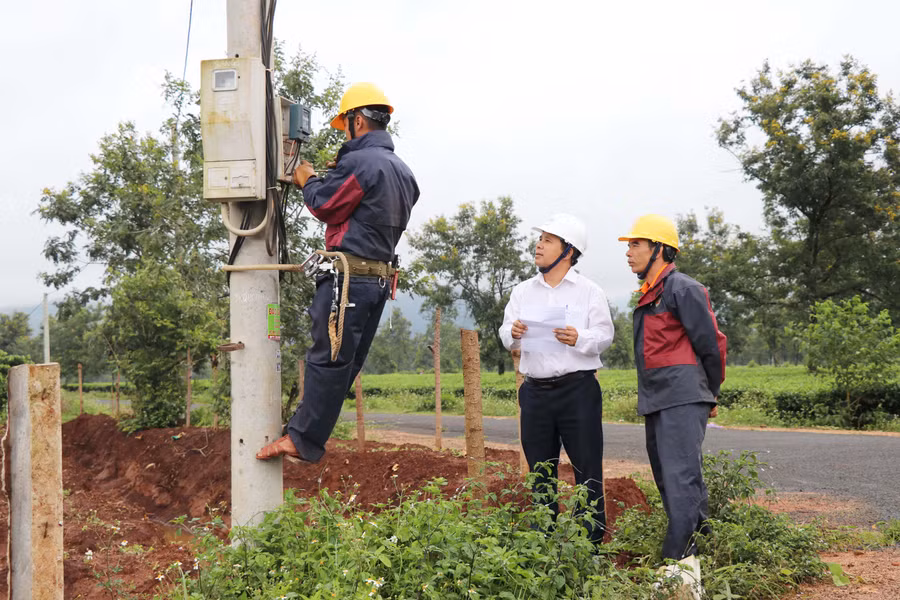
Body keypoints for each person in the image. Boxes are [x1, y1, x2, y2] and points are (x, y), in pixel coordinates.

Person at [257, 82, 419, 463]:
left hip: (349, 279)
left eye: (344, 126)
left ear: (357, 122)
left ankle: (302, 438)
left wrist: (307, 179)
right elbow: (368, 209)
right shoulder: (402, 170)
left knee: (326, 358)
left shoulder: (361, 163)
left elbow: (327, 205)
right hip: (378, 280)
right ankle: (305, 436)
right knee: (345, 363)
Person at [619, 214, 727, 598]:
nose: (628, 252)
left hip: (683, 396)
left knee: (679, 478)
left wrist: (710, 391)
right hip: (659, 398)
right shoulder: (651, 293)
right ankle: (706, 548)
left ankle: (677, 564)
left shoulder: (683, 288)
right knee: (672, 476)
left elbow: (711, 343)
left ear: (660, 249)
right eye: (629, 246)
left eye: (636, 244)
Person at [499, 213, 614, 543]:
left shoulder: (589, 292)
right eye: (540, 239)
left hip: (578, 391)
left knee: (587, 472)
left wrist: (579, 337)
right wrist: (514, 333)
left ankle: (589, 545)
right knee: (540, 474)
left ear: (568, 251)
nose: (538, 245)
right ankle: (543, 545)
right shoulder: (522, 292)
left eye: (548, 240)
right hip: (534, 393)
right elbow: (506, 333)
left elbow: (605, 335)